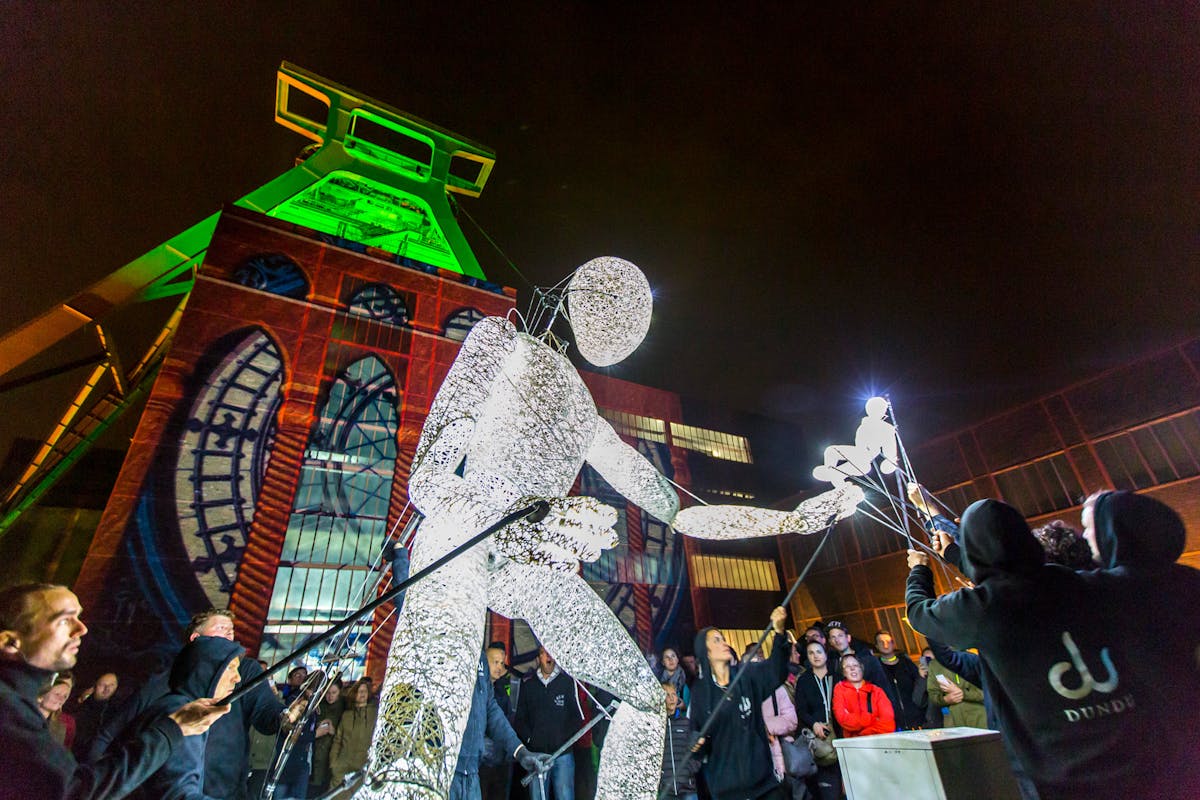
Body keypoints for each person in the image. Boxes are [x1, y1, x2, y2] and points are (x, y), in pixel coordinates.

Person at [359, 258, 862, 800]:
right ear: (580, 294)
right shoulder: (497, 343)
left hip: (529, 563)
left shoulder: (587, 419)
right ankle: (402, 783)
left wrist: (788, 520)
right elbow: (430, 481)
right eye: (614, 307)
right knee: (447, 569)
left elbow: (679, 512)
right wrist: (525, 518)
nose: (620, 322)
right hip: (464, 532)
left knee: (645, 700)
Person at [905, 497, 1175, 800]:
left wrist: (919, 571)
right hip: (1138, 760)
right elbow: (1011, 568)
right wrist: (954, 552)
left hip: (1056, 778)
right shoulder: (1086, 585)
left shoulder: (985, 608)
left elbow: (918, 612)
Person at [0, 582, 229, 800]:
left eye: (78, 617)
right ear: (11, 643)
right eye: (64, 620)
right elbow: (78, 791)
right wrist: (173, 728)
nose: (82, 628)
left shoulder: (17, 702)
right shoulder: (8, 708)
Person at [88, 607, 288, 799]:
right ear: (196, 639)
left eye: (231, 630)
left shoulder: (245, 673)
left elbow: (268, 714)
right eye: (221, 628)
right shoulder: (170, 700)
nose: (229, 633)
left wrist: (287, 715)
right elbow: (176, 791)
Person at [1081, 490, 1200, 794]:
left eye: (1088, 526)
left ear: (1113, 529)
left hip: (1152, 751)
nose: (1084, 536)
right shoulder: (1190, 580)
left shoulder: (1101, 591)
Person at [689, 607, 792, 800]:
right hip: (728, 790)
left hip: (764, 784)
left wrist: (778, 633)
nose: (724, 643)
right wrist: (696, 744)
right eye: (716, 640)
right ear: (707, 653)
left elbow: (776, 671)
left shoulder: (746, 676)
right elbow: (697, 738)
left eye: (723, 638)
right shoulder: (700, 693)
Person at [125, 635, 245, 800]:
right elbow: (177, 795)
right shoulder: (184, 714)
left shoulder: (177, 704)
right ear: (206, 670)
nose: (238, 678)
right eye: (230, 667)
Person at [452, 651, 550, 800]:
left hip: (471, 772)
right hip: (445, 770)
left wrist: (520, 751)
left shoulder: (480, 660)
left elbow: (491, 709)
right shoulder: (439, 650)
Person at [514, 646, 582, 800]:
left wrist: (563, 740)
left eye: (551, 652)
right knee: (537, 797)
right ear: (538, 657)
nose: (548, 656)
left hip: (563, 754)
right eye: (544, 653)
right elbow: (520, 720)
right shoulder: (529, 685)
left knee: (565, 796)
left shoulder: (567, 683)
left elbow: (577, 718)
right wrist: (531, 740)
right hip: (537, 756)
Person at [791, 641, 841, 800]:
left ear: (826, 654)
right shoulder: (804, 680)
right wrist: (814, 724)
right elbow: (801, 710)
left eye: (819, 651)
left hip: (841, 735)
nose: (815, 656)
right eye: (811, 653)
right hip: (818, 741)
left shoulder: (837, 676)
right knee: (827, 791)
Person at [329, 678, 379, 789]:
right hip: (342, 767)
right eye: (359, 691)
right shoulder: (347, 715)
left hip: (364, 768)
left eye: (364, 691)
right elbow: (337, 740)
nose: (362, 694)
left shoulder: (375, 714)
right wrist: (334, 764)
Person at [831, 654, 894, 737]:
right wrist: (872, 719)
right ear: (843, 673)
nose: (852, 668)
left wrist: (864, 733)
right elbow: (842, 718)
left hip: (878, 741)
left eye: (855, 665)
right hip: (852, 744)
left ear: (861, 668)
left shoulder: (876, 691)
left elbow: (888, 722)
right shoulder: (839, 689)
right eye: (847, 666)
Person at [873, 630, 924, 730]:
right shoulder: (876, 667)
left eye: (888, 641)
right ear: (876, 646)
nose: (885, 644)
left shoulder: (906, 663)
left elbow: (919, 687)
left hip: (915, 719)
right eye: (881, 642)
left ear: (893, 643)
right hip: (891, 722)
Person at [659, 683, 699, 800]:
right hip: (666, 791)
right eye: (667, 695)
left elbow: (697, 750)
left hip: (688, 789)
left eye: (674, 694)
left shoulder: (686, 723)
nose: (671, 698)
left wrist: (690, 770)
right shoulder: (656, 726)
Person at [926, 654, 986, 728]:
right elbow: (933, 695)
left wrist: (963, 694)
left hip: (981, 719)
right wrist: (945, 699)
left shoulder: (973, 659)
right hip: (954, 723)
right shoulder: (935, 665)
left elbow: (988, 692)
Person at [70, 672, 119, 759]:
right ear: (94, 686)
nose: (107, 688)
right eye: (103, 684)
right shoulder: (81, 704)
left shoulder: (118, 710)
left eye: (112, 685)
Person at [310, 677, 345, 796]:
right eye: (328, 693)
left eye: (334, 693)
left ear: (340, 692)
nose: (330, 696)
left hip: (333, 757)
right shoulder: (318, 705)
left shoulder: (344, 708)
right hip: (315, 755)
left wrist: (333, 732)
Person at [40, 676, 77, 747]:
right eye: (57, 694)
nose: (61, 699)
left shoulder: (61, 728)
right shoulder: (19, 713)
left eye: (64, 696)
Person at [657, 646, 690, 711]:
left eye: (673, 656)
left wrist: (683, 706)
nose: (670, 659)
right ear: (663, 662)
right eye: (667, 657)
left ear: (677, 660)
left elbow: (690, 710)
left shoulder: (685, 684)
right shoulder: (657, 683)